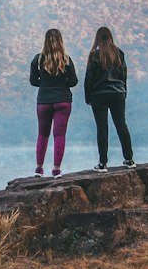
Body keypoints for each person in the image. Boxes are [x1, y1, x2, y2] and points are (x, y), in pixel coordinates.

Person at [84, 25, 135, 171]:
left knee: (102, 128)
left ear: (97, 38)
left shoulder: (94, 55)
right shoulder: (119, 53)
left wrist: (88, 97)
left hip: (99, 95)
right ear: (111, 37)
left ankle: (103, 163)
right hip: (118, 93)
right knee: (121, 125)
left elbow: (89, 78)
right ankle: (129, 159)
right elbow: (124, 75)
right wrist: (123, 92)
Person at [29, 27, 78, 177]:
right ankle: (56, 170)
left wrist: (44, 83)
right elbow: (74, 82)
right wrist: (62, 83)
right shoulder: (66, 59)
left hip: (43, 101)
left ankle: (39, 168)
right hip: (63, 101)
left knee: (42, 134)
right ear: (61, 41)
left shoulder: (37, 59)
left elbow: (33, 81)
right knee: (59, 135)